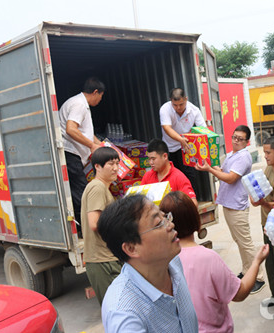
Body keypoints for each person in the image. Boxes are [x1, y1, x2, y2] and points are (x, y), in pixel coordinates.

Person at [160, 191, 269, 333]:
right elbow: (240, 293)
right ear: (195, 218)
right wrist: (256, 261)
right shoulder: (208, 258)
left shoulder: (160, 260)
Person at [98, 194, 198, 333]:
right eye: (158, 223)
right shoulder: (125, 315)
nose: (171, 225)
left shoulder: (172, 262)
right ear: (132, 248)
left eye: (165, 217)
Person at [195, 125, 265, 293]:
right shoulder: (233, 154)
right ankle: (247, 270)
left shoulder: (243, 157)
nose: (236, 141)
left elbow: (231, 178)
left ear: (247, 142)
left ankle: (259, 277)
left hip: (237, 205)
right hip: (229, 203)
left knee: (245, 242)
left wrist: (209, 170)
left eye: (240, 139)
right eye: (234, 137)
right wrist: (212, 167)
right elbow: (225, 171)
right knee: (239, 240)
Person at [59, 77, 105, 229]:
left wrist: (102, 145)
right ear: (96, 92)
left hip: (73, 154)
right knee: (82, 191)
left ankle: (83, 226)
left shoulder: (79, 103)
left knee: (79, 190)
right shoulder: (79, 104)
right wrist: (92, 146)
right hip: (69, 153)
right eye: (101, 96)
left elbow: (84, 132)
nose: (100, 100)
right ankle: (84, 228)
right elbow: (71, 129)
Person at [251, 136, 274, 320]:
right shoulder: (269, 168)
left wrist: (264, 204)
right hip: (266, 224)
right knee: (271, 262)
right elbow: (261, 191)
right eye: (264, 152)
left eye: (268, 152)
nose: (265, 156)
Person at [81, 147, 122, 305]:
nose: (115, 168)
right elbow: (94, 223)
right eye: (110, 164)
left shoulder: (103, 188)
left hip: (107, 257)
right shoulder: (97, 187)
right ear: (97, 166)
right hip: (102, 261)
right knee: (115, 309)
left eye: (117, 163)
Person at [160, 88, 206, 194]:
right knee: (172, 175)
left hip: (185, 147)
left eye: (181, 104)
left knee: (189, 174)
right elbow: (167, 128)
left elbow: (203, 130)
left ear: (186, 99)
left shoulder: (194, 110)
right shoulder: (165, 109)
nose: (178, 108)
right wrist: (180, 139)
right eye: (175, 105)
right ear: (170, 100)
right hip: (169, 147)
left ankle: (192, 200)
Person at [140, 138, 197, 206]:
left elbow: (193, 204)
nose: (151, 162)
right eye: (149, 159)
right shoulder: (147, 176)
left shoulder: (179, 177)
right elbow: (140, 200)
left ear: (165, 156)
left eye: (153, 159)